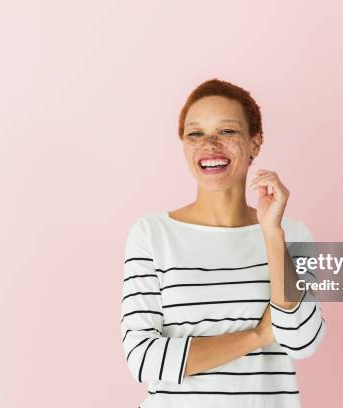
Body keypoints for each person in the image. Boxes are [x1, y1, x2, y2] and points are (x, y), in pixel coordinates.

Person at [120, 78, 326, 407]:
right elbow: (144, 359)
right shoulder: (152, 234)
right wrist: (258, 335)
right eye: (195, 133)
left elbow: (303, 341)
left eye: (227, 131)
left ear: (255, 143)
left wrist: (272, 234)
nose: (210, 144)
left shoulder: (293, 234)